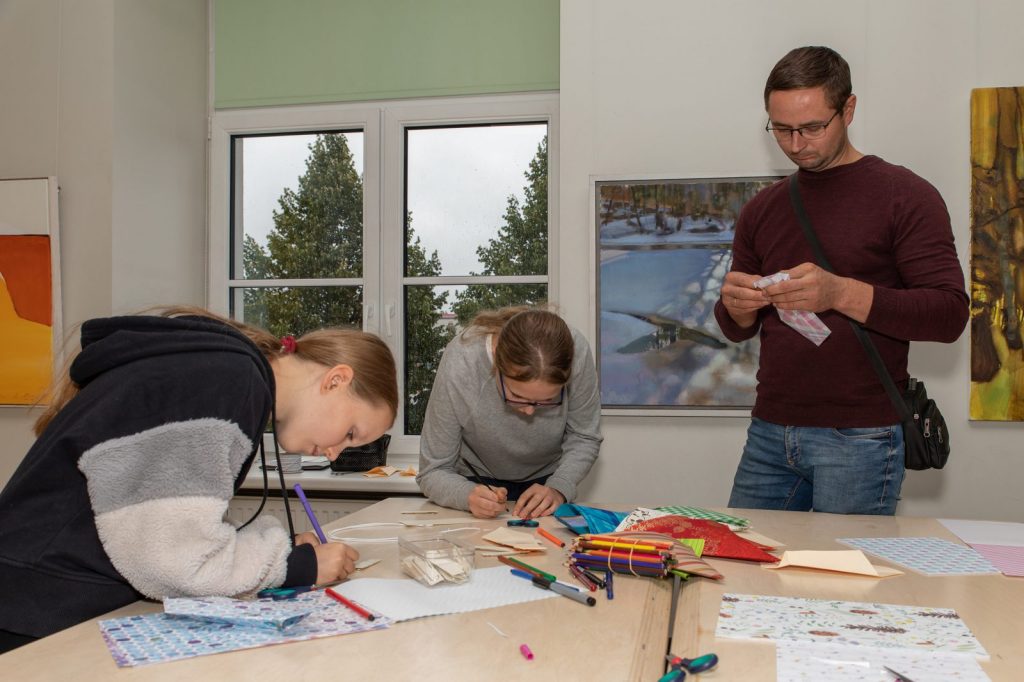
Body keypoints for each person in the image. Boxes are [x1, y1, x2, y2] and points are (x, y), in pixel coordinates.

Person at [0, 307, 397, 652]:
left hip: (44, 596)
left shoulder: (224, 371)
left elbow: (173, 528)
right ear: (335, 380)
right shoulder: (230, 380)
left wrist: (284, 550)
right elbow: (175, 562)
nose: (335, 454)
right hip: (35, 612)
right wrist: (298, 566)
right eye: (350, 433)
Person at [714, 46, 969, 515]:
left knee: (844, 564)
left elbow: (948, 314)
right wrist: (736, 305)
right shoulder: (762, 209)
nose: (796, 144)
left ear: (848, 109)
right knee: (740, 559)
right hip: (769, 429)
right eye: (781, 129)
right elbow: (736, 328)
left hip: (862, 435)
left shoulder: (905, 195)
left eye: (812, 127)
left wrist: (840, 293)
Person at [417, 306, 602, 520]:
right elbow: (433, 470)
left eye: (547, 400)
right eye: (517, 395)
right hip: (475, 483)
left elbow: (584, 436)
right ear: (497, 360)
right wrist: (465, 495)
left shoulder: (575, 352)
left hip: (550, 483)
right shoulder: (462, 360)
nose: (529, 411)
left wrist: (560, 487)